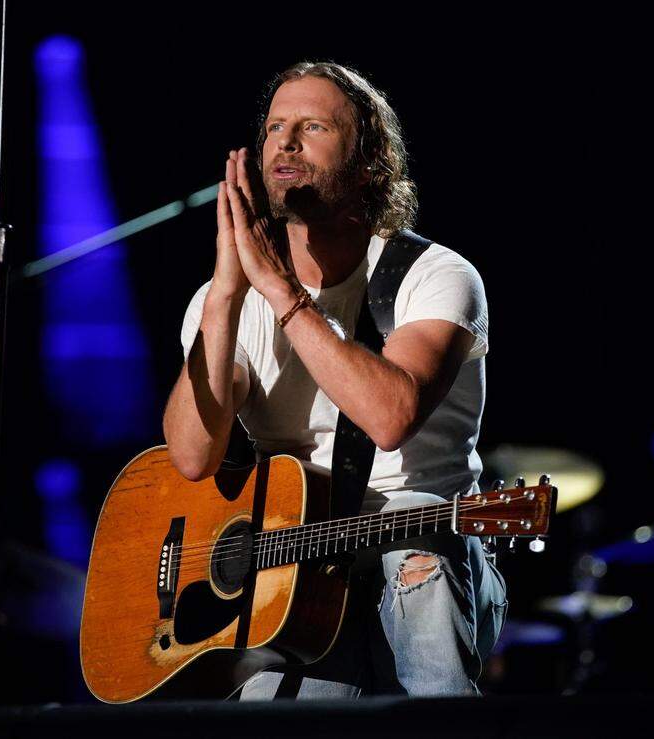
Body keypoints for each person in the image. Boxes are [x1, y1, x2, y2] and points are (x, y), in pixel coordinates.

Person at [162, 61, 505, 698]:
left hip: (419, 542)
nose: (285, 143)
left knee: (417, 543)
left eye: (312, 126)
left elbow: (390, 417)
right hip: (299, 571)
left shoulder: (434, 275)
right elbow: (190, 455)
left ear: (370, 164)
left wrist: (281, 290)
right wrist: (224, 299)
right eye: (273, 128)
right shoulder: (225, 301)